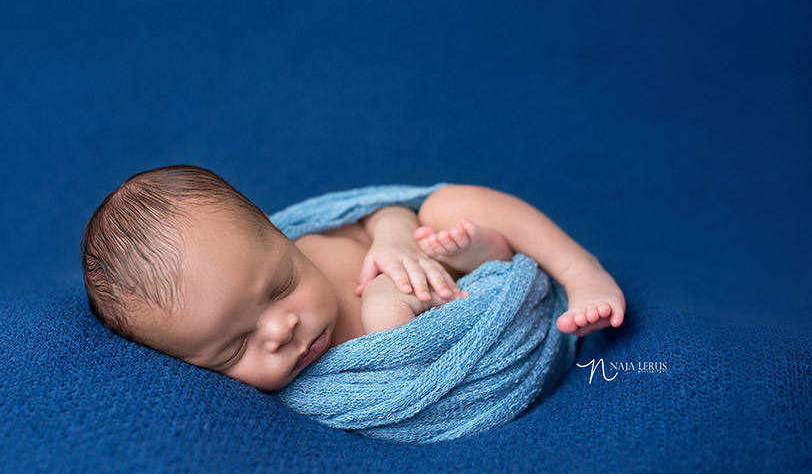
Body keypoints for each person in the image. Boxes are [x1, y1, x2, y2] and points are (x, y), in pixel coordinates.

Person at [82, 165, 626, 392]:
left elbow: (383, 211)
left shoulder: (317, 245)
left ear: (279, 238)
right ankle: (485, 257)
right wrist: (388, 312)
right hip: (472, 315)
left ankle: (578, 269)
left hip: (449, 264)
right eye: (232, 349)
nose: (281, 330)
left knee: (445, 206)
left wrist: (390, 240)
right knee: (400, 288)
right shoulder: (317, 389)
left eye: (278, 288)